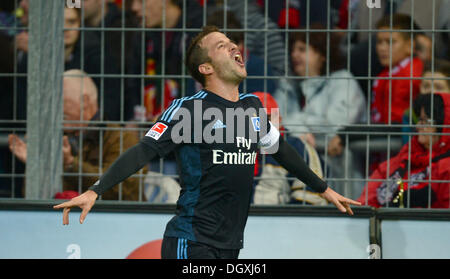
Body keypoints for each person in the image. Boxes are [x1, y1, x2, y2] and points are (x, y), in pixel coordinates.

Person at [53, 26, 360, 259]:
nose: (234, 47)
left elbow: (280, 150)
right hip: (191, 241)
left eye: (232, 43)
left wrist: (324, 189)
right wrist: (95, 190)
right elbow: (144, 150)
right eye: (222, 46)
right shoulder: (189, 108)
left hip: (231, 244)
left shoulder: (253, 106)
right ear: (206, 68)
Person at [9, 70, 145, 201]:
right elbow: (33, 199)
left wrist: (70, 164)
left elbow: (122, 189)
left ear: (85, 101)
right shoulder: (56, 138)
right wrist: (35, 166)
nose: (56, 110)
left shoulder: (122, 138)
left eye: (62, 102)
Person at [358, 93, 450, 208]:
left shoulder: (446, 168)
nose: (418, 127)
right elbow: (366, 202)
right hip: (382, 223)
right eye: (419, 120)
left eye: (425, 121)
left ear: (444, 126)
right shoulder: (405, 157)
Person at [252, 92, 328, 205]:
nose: (261, 125)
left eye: (267, 118)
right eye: (254, 119)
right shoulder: (234, 146)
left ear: (279, 119)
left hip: (278, 218)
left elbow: (310, 200)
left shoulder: (298, 147)